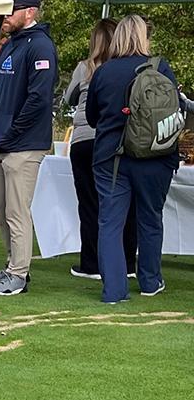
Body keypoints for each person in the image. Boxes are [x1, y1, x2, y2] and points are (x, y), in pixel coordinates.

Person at [87, 15, 180, 303]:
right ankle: (150, 281)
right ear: (143, 37)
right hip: (155, 157)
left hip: (111, 158)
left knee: (110, 224)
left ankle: (114, 290)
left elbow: (92, 118)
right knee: (150, 219)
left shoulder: (104, 72)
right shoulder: (161, 68)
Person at [0, 0, 58, 297]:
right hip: (3, 142)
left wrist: (13, 132)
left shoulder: (40, 46)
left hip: (24, 145)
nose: (5, 16)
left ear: (30, 11)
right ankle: (12, 265)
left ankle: (18, 274)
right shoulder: (10, 45)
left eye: (11, 9)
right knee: (1, 210)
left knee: (17, 211)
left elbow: (39, 99)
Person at [63, 18, 133, 281]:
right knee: (118, 203)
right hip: (111, 140)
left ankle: (91, 262)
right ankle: (126, 261)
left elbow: (69, 97)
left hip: (82, 140)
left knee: (89, 205)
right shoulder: (122, 70)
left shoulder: (85, 67)